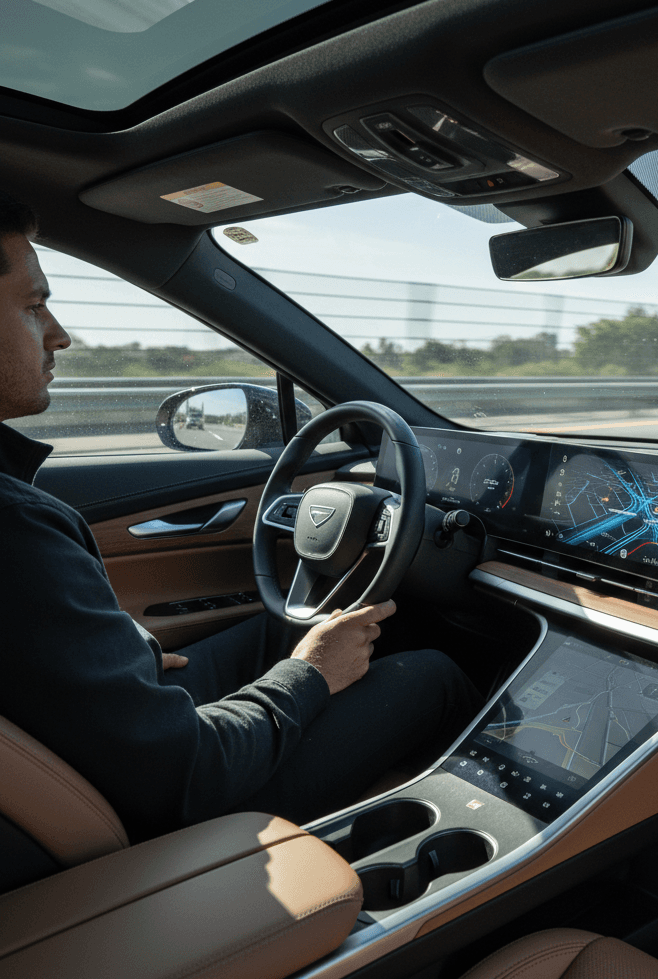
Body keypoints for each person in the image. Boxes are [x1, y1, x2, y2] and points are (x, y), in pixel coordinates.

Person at [0, 191, 481, 842]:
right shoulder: (15, 531)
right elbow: (189, 777)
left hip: (91, 754)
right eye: (33, 307)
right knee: (433, 676)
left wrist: (124, 665)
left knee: (283, 630)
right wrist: (310, 674)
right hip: (161, 809)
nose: (59, 333)